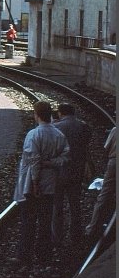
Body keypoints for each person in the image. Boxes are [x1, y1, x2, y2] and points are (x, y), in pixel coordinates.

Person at [13, 100, 70, 267]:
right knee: (45, 220)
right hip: (51, 183)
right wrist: (52, 163)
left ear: (36, 115)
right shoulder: (59, 135)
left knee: (28, 221)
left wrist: (36, 182)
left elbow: (34, 160)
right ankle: (44, 255)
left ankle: (25, 255)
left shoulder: (34, 134)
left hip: (32, 186)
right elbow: (66, 157)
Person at [51, 103, 91, 244]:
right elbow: (86, 146)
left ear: (61, 113)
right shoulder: (83, 126)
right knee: (75, 204)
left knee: (58, 206)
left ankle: (57, 237)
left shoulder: (56, 127)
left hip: (60, 171)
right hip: (77, 170)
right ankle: (75, 235)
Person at [84, 127, 116, 240]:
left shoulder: (115, 130)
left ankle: (92, 228)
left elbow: (106, 148)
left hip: (114, 162)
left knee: (104, 195)